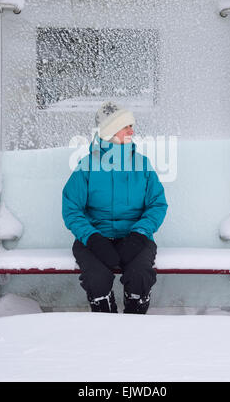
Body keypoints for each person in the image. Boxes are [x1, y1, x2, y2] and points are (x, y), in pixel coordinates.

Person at [62, 101, 168, 314]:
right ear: (110, 130)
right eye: (126, 126)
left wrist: (140, 234)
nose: (132, 130)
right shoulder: (87, 166)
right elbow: (71, 208)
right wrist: (92, 238)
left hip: (135, 238)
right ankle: (105, 323)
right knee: (96, 279)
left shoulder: (142, 164)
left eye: (131, 125)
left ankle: (134, 323)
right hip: (94, 239)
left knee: (140, 275)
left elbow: (157, 204)